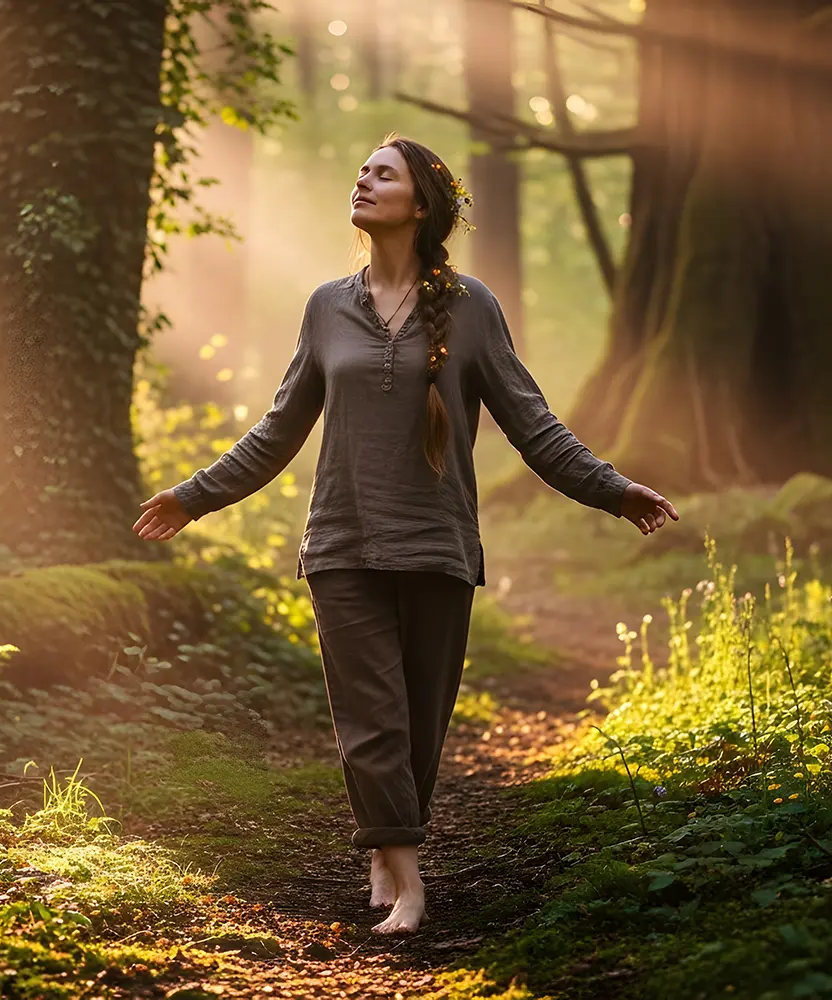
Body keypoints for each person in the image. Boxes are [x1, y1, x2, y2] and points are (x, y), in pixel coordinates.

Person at [132, 134, 679, 935]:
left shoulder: (471, 307)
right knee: (371, 719)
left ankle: (386, 848)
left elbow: (533, 424)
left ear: (420, 205)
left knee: (421, 721)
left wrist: (612, 489)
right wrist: (194, 496)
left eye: (381, 173)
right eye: (360, 170)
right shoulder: (326, 306)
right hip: (342, 544)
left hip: (438, 546)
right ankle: (409, 876)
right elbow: (279, 428)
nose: (363, 180)